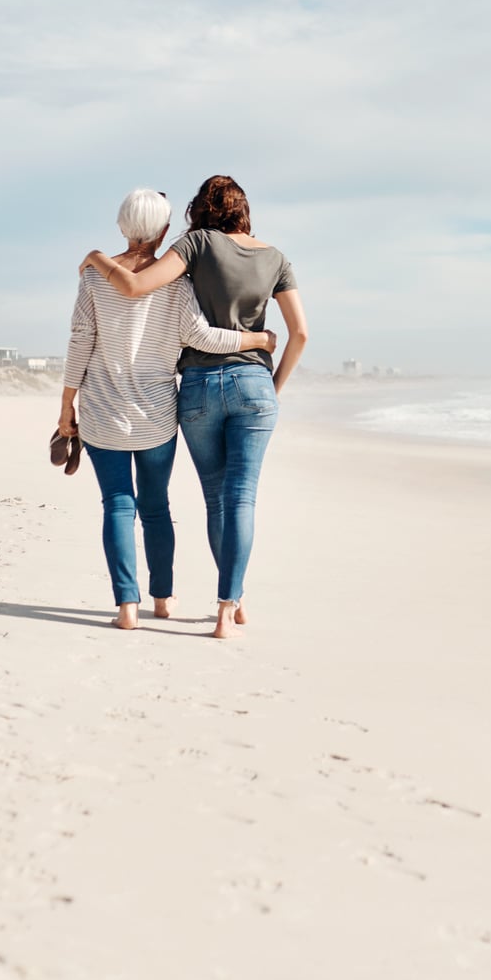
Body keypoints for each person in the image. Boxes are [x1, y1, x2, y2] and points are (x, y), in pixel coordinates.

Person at [84, 175, 307, 639]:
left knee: (215, 498)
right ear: (244, 208)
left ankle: (163, 600)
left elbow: (136, 286)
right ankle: (231, 605)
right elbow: (300, 334)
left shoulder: (196, 244)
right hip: (255, 384)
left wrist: (96, 259)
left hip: (200, 386)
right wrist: (272, 383)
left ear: (198, 211)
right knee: (240, 497)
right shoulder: (277, 258)